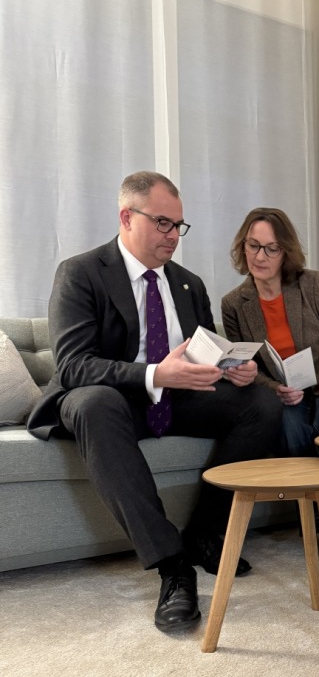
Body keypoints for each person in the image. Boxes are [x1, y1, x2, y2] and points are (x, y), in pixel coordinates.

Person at [27, 172, 282, 633]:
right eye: (163, 223)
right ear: (127, 217)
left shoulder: (188, 284)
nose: (173, 237)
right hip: (110, 399)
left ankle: (206, 535)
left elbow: (204, 348)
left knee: (260, 404)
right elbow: (73, 366)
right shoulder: (81, 272)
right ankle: (172, 565)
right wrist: (154, 373)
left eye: (179, 226)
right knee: (94, 403)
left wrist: (232, 370)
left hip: (173, 396)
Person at [221, 207, 319, 574]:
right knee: (284, 423)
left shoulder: (312, 284)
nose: (260, 257)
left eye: (271, 248)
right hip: (286, 395)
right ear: (243, 247)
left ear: (286, 252)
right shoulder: (234, 304)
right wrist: (274, 388)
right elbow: (245, 367)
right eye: (253, 246)